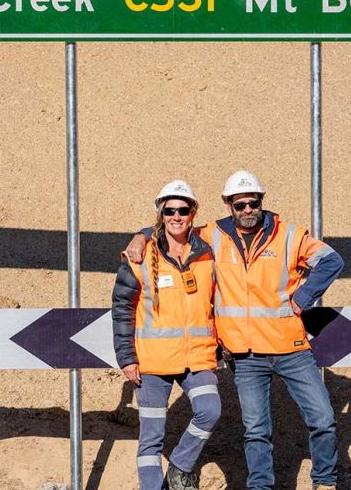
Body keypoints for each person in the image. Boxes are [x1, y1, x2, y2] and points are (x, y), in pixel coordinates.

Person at [127, 170, 344, 490]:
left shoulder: (289, 234)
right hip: (245, 355)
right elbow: (174, 227)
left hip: (291, 348)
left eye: (252, 203)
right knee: (256, 431)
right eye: (239, 204)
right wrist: (142, 234)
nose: (247, 210)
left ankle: (324, 482)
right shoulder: (213, 235)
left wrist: (303, 298)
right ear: (227, 204)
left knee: (323, 420)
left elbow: (331, 260)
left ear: (261, 202)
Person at [112, 179, 222, 490]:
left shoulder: (208, 252)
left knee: (210, 411)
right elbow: (122, 309)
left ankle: (179, 467)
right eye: (169, 210)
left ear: (193, 212)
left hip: (196, 358)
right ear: (161, 213)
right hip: (152, 362)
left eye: (183, 210)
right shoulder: (141, 255)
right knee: (151, 439)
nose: (176, 216)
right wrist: (126, 357)